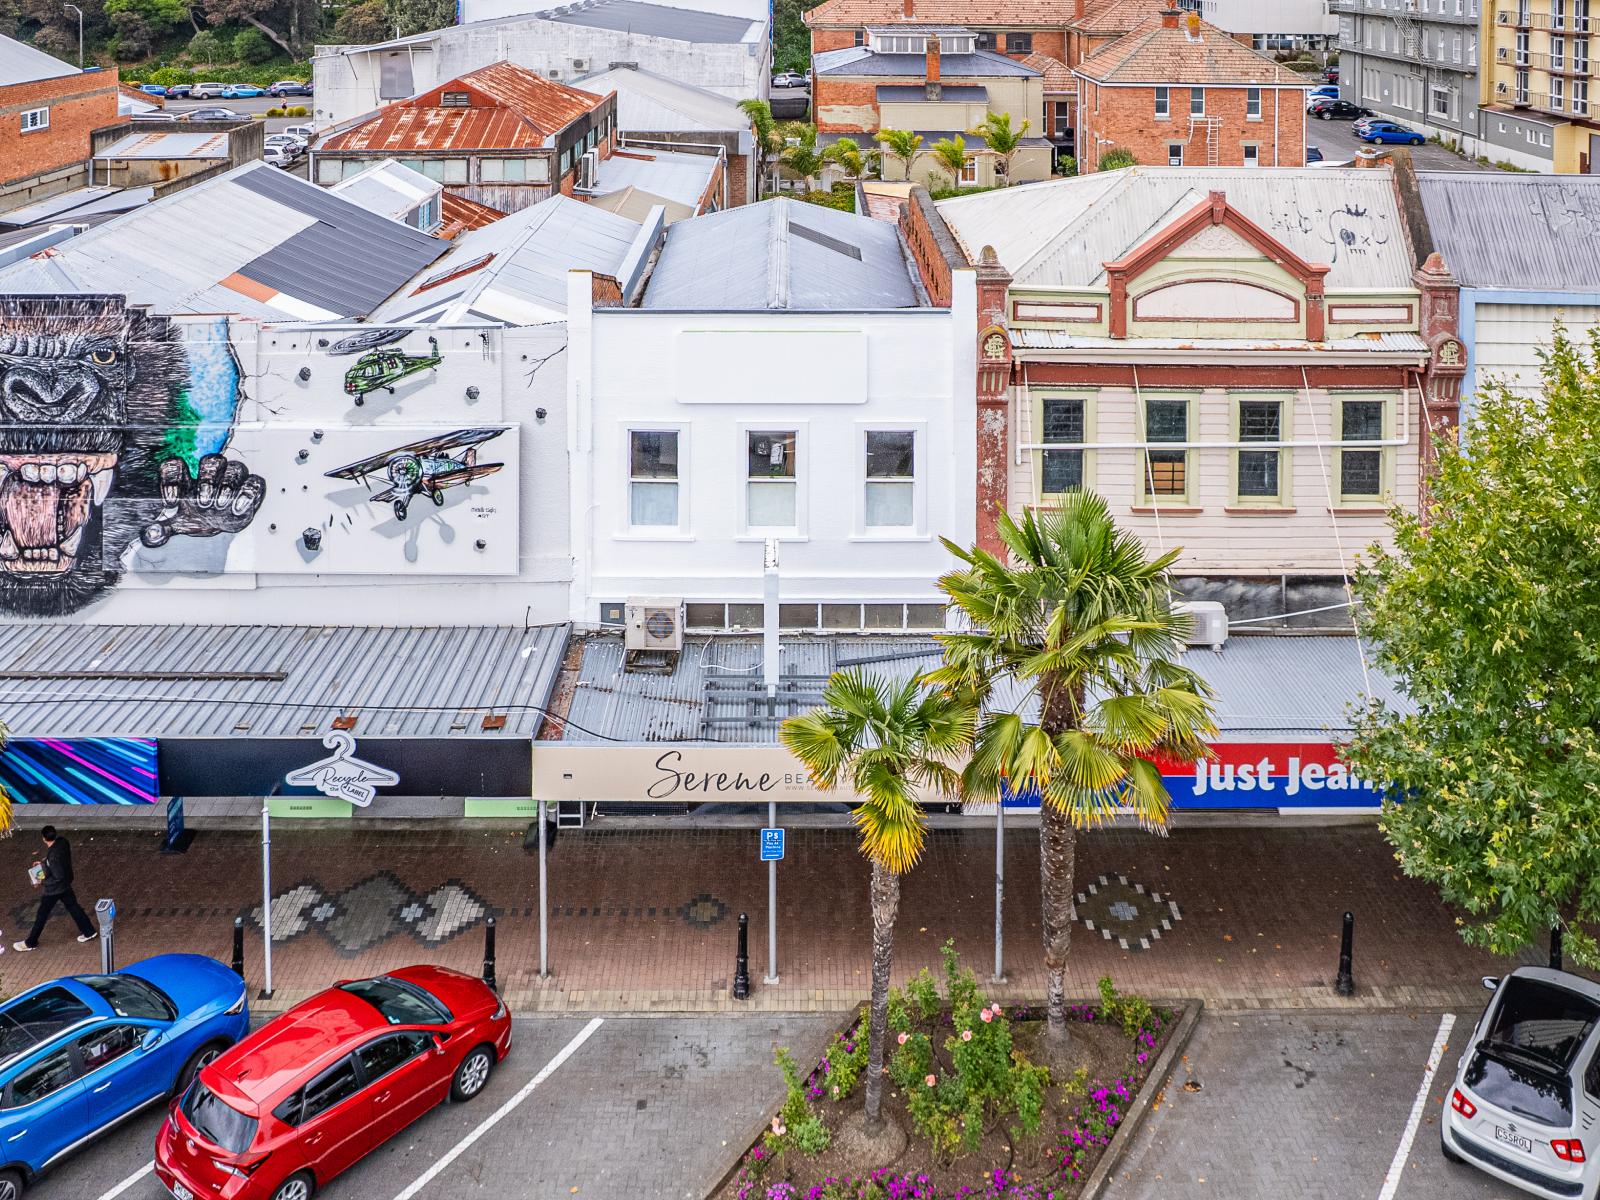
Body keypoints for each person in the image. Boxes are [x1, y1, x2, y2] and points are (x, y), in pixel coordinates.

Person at [14, 826, 96, 952]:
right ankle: (88, 931)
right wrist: (44, 863)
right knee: (74, 907)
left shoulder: (53, 857)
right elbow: (56, 862)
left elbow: (58, 875)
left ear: (44, 838)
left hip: (54, 890)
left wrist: (41, 881)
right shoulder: (62, 842)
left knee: (42, 915)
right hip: (66, 885)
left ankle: (31, 942)